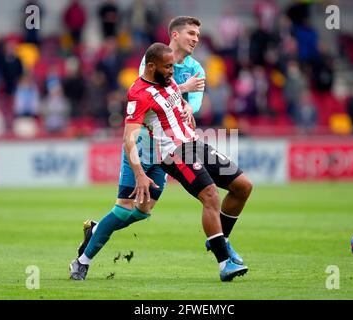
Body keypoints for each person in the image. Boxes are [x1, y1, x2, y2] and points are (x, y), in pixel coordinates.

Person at [69, 17, 242, 280]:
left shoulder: (169, 77)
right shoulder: (140, 91)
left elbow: (171, 97)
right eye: (168, 67)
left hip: (167, 152)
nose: (172, 70)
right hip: (142, 152)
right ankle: (82, 260)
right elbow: (129, 138)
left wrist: (185, 105)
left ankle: (95, 230)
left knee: (141, 213)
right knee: (123, 209)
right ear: (153, 66)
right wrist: (139, 173)